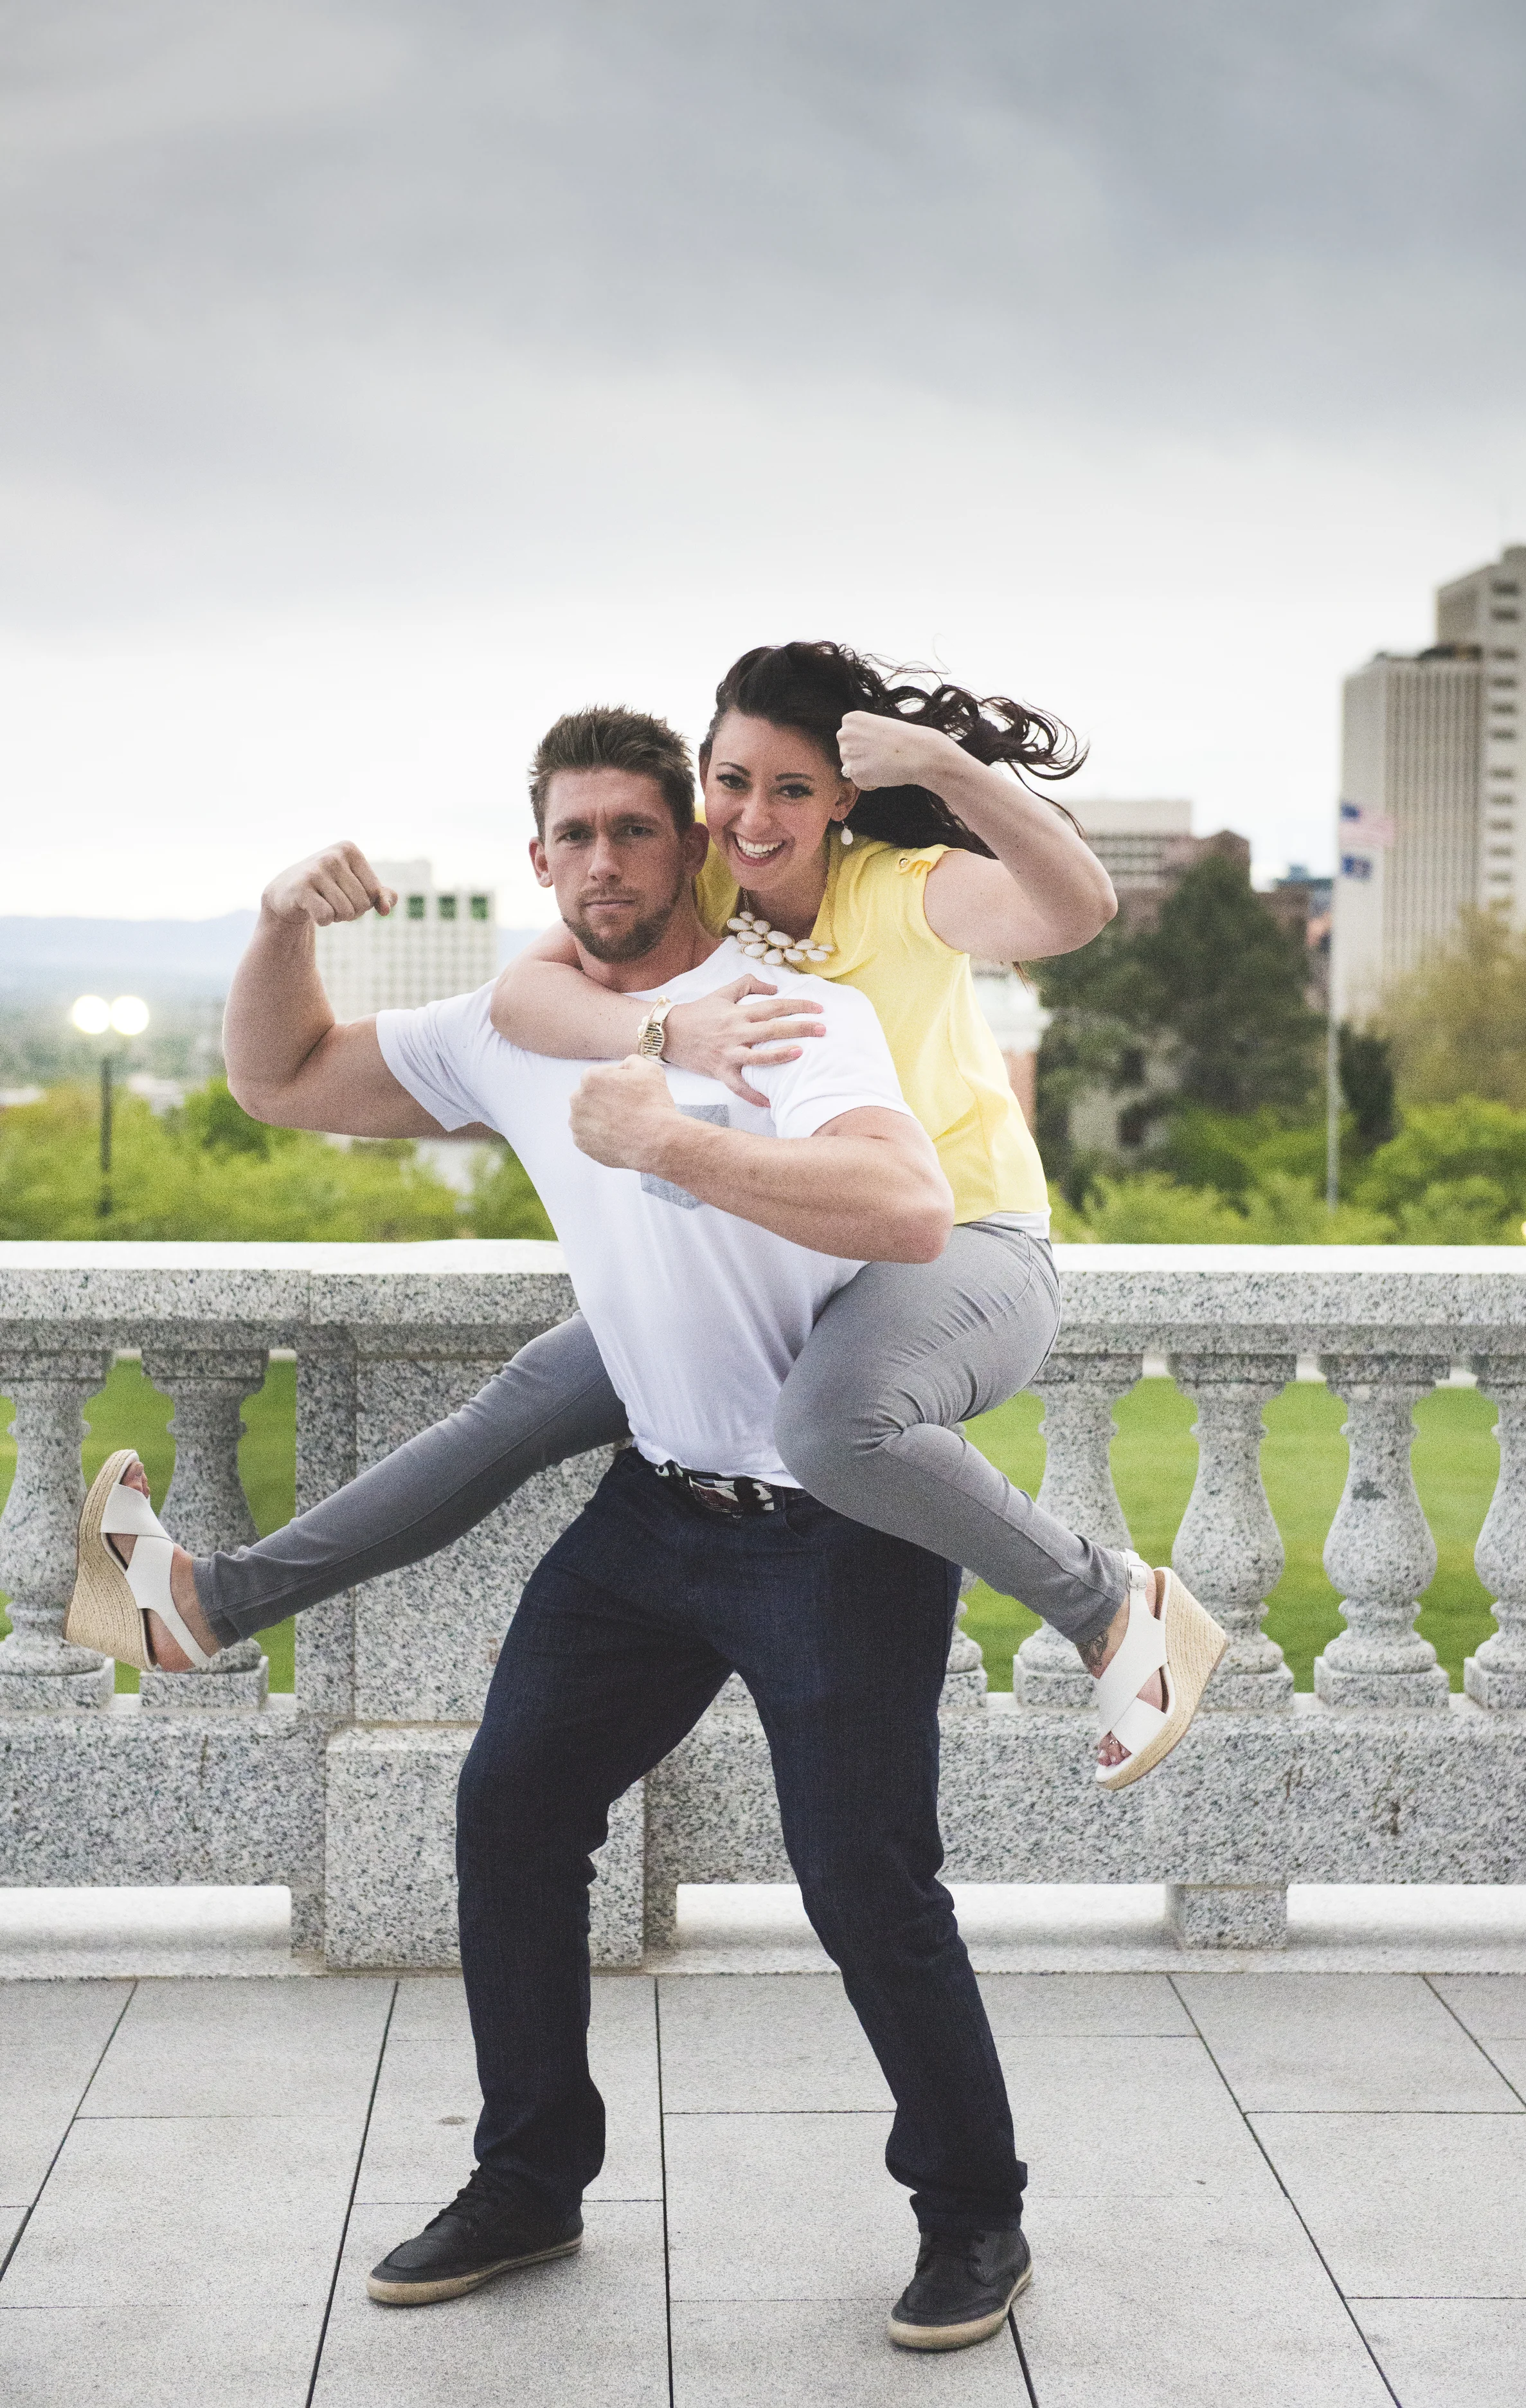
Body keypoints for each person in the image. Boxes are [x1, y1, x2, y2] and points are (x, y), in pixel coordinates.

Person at [76, 704, 1063, 2349]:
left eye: (634, 828)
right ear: (537, 861)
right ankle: (529, 2180)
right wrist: (274, 926)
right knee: (511, 1813)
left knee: (865, 1884)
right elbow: (280, 1077)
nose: (605, 859)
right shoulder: (503, 1026)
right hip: (652, 1517)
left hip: (831, 1525)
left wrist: (672, 1121)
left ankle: (974, 2218)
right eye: (573, 835)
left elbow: (901, 1207)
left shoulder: (781, 1015)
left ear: (687, 841)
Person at [69, 644, 1226, 1788]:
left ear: (844, 799)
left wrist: (950, 767)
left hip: (960, 1238)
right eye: (731, 784)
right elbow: (527, 993)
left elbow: (1077, 910)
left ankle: (1116, 1612)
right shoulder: (704, 877)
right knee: (521, 1408)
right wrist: (664, 1035)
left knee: (833, 1428)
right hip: (805, 1255)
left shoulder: (899, 888)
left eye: (789, 789)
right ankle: (203, 1605)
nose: (754, 817)